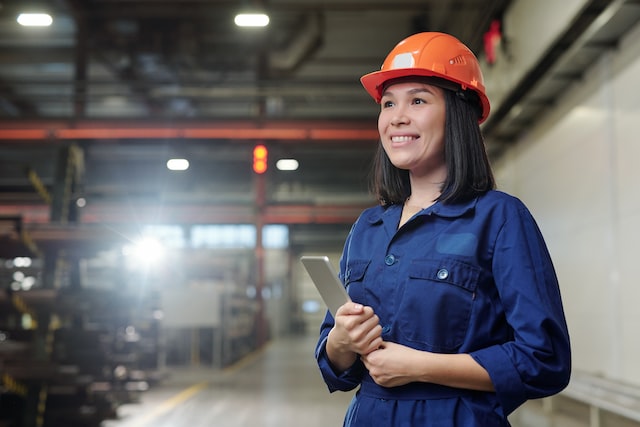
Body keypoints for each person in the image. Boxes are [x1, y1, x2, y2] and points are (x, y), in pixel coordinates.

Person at [314, 32, 571, 426]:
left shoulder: (498, 219)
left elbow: (545, 360)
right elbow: (336, 367)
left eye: (418, 100)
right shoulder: (368, 227)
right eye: (388, 103)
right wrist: (341, 342)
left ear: (458, 112)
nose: (397, 116)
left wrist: (421, 367)